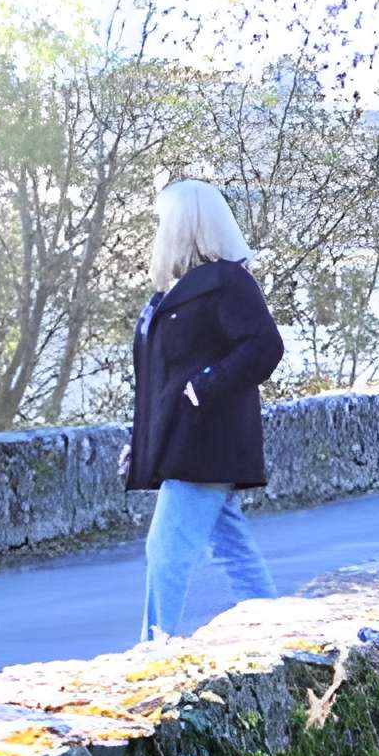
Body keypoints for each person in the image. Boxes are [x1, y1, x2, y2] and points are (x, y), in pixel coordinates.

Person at [126, 179, 285, 641]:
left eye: (164, 221)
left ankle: (152, 652)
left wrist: (206, 387)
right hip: (184, 440)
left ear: (185, 223)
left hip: (206, 442)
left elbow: (265, 346)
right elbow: (161, 381)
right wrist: (140, 445)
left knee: (166, 550)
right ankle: (281, 633)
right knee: (233, 547)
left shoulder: (228, 281)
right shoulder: (172, 294)